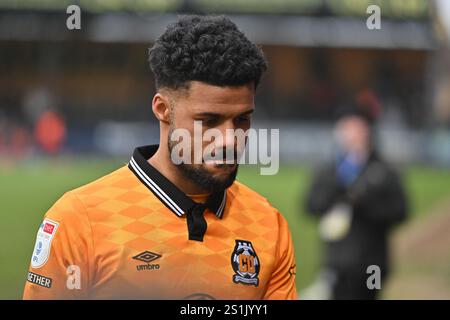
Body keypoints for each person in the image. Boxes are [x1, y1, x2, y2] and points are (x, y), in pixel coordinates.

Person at [23, 15, 297, 300]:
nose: (230, 139)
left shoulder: (268, 225)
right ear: (163, 109)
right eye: (208, 121)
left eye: (241, 119)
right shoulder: (80, 221)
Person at [303, 94, 408, 300]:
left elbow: (400, 211)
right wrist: (338, 191)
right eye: (345, 128)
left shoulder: (384, 170)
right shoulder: (329, 171)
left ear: (367, 132)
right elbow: (310, 205)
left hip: (374, 263)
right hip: (337, 262)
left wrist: (364, 203)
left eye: (356, 128)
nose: (350, 135)